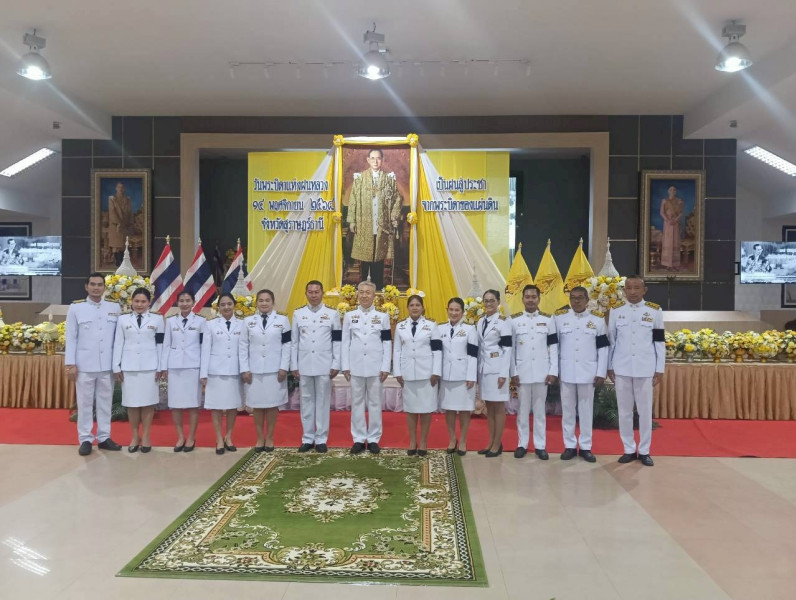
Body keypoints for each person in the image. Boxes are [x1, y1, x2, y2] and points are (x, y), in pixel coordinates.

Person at [607, 275, 665, 467]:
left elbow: (659, 341)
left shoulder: (654, 311)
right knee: (624, 411)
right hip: (622, 367)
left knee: (645, 411)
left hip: (645, 367)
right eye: (629, 288)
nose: (632, 292)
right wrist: (609, 365)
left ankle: (645, 450)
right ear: (624, 290)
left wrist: (659, 368)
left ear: (644, 290)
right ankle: (629, 449)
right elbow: (612, 340)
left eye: (636, 288)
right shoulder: (616, 311)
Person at [64, 272, 123, 456]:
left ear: (104, 287)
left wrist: (118, 364)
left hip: (107, 365)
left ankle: (104, 437)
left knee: (105, 403)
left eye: (99, 285)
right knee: (84, 404)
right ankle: (85, 439)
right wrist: (70, 364)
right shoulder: (76, 308)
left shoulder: (114, 307)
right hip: (84, 365)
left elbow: (119, 338)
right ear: (86, 286)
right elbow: (71, 337)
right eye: (93, 284)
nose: (96, 288)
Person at [555, 286, 609, 463]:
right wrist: (555, 370)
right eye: (573, 297)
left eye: (580, 297)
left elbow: (603, 348)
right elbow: (555, 348)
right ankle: (569, 445)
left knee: (586, 411)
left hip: (588, 373)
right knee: (568, 411)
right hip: (567, 371)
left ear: (587, 300)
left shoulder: (597, 320)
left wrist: (601, 371)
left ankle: (586, 446)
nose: (576, 301)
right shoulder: (560, 318)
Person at [290, 280, 341, 453]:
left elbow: (337, 341)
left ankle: (321, 439)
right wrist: (294, 364)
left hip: (324, 365)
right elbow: (294, 342)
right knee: (306, 401)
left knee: (323, 401)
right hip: (304, 364)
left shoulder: (332, 314)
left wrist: (336, 363)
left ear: (322, 293)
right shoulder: (298, 314)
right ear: (306, 293)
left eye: (316, 292)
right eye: (310, 292)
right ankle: (307, 438)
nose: (313, 295)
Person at [341, 280, 391, 454]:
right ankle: (359, 438)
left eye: (367, 292)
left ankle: (374, 438)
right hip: (355, 366)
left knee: (375, 402)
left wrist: (386, 366)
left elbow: (387, 342)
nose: (364, 295)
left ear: (374, 295)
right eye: (361, 292)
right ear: (357, 294)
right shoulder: (349, 316)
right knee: (356, 402)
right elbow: (345, 342)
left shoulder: (383, 317)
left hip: (375, 366)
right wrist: (345, 366)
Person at [112, 288, 164, 453]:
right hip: (129, 367)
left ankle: (146, 436)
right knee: (132, 404)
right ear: (131, 302)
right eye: (137, 301)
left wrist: (161, 366)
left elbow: (161, 344)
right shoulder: (122, 319)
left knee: (148, 403)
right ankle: (135, 436)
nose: (140, 304)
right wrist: (116, 366)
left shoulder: (157, 319)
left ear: (149, 302)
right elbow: (118, 343)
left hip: (150, 367)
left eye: (143, 301)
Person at [510, 284, 558, 460]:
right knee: (522, 411)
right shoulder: (514, 321)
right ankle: (522, 444)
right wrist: (513, 371)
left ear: (539, 299)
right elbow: (511, 349)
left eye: (533, 297)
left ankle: (540, 445)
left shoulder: (549, 320)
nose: (530, 300)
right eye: (527, 297)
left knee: (540, 411)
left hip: (541, 373)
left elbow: (553, 346)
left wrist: (553, 370)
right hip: (521, 373)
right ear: (522, 299)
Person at [240, 289, 291, 452]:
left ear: (273, 302)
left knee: (271, 405)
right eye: (261, 300)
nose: (264, 303)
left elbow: (287, 345)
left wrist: (284, 367)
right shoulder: (248, 321)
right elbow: (243, 346)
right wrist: (245, 369)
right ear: (256, 303)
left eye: (267, 300)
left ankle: (269, 437)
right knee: (257, 406)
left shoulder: (282, 320)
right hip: (254, 370)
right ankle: (260, 438)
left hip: (274, 370)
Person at [347, 149, 403, 288]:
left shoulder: (389, 180)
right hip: (364, 223)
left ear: (382, 160)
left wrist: (394, 217)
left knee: (379, 257)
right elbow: (353, 200)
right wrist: (352, 220)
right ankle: (364, 289)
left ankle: (378, 287)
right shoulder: (360, 179)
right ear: (368, 160)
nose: (375, 161)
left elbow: (397, 198)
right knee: (365, 258)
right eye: (372, 158)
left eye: (378, 158)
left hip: (382, 224)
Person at [393, 295, 441, 456]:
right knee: (411, 409)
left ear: (422, 307)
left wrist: (436, 371)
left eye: (417, 305)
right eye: (412, 305)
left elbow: (437, 350)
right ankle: (413, 441)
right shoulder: (400, 326)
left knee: (426, 409)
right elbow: (397, 350)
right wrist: (397, 372)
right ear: (408, 308)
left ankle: (423, 442)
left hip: (427, 374)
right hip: (408, 373)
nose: (414, 308)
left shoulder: (431, 325)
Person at [160, 290, 205, 452]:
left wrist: (204, 371)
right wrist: (163, 367)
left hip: (193, 367)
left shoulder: (201, 321)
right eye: (182, 301)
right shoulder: (171, 321)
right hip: (175, 367)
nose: (185, 304)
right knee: (176, 404)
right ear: (177, 303)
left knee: (193, 404)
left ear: (193, 302)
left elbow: (204, 347)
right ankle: (180, 436)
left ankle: (191, 437)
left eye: (188, 300)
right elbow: (166, 345)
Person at [200, 293, 244, 455]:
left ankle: (229, 437)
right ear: (218, 307)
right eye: (223, 304)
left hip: (235, 370)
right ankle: (219, 438)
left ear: (234, 305)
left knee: (233, 405)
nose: (226, 307)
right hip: (215, 371)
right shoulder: (210, 324)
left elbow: (244, 349)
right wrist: (203, 374)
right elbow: (205, 350)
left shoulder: (242, 324)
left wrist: (245, 370)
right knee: (216, 406)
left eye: (229, 304)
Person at [437, 297, 477, 456]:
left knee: (465, 410)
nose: (454, 313)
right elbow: (436, 353)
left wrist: (471, 376)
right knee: (449, 410)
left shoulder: (470, 329)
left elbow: (473, 355)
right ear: (447, 310)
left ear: (462, 312)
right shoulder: (439, 328)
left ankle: (463, 441)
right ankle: (452, 439)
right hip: (446, 375)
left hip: (463, 376)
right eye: (451, 310)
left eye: (457, 310)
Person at [477, 289, 513, 457]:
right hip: (485, 369)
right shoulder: (480, 321)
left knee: (498, 407)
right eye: (486, 300)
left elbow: (507, 349)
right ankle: (491, 441)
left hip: (498, 370)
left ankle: (497, 444)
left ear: (498, 302)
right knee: (489, 407)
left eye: (492, 300)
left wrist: (504, 373)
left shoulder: (504, 322)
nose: (489, 303)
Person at [108, 182, 136, 266]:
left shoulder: (128, 199)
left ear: (124, 189)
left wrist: (130, 223)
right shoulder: (112, 199)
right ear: (116, 188)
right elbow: (112, 212)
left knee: (124, 245)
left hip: (125, 225)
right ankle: (117, 262)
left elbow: (130, 212)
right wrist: (118, 223)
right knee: (116, 245)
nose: (120, 189)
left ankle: (122, 262)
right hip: (116, 225)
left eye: (122, 187)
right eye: (119, 187)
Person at [659, 185, 684, 270]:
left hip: (675, 223)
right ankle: (667, 263)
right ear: (668, 191)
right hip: (667, 224)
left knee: (675, 242)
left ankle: (675, 264)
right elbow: (662, 212)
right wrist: (668, 220)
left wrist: (675, 220)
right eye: (670, 189)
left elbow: (681, 213)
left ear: (676, 192)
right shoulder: (664, 201)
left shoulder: (679, 201)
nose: (672, 191)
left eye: (674, 190)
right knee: (667, 242)